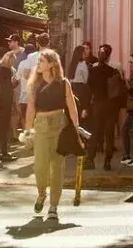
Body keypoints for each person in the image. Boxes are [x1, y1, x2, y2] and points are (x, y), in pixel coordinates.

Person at [24, 49, 80, 223]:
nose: (38, 64)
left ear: (52, 64)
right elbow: (31, 109)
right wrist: (27, 131)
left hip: (59, 126)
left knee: (57, 168)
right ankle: (42, 194)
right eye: (39, 61)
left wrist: (76, 129)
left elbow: (71, 107)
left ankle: (53, 206)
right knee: (40, 167)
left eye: (42, 60)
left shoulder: (64, 83)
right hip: (40, 126)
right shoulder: (35, 84)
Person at [85, 43, 123, 170]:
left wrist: (87, 105)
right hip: (110, 106)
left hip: (97, 104)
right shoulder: (113, 71)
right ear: (108, 56)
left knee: (95, 132)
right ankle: (107, 161)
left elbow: (89, 88)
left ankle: (90, 159)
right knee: (109, 133)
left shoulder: (93, 70)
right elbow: (118, 90)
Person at [0, 49, 17, 163]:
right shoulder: (7, 70)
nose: (14, 63)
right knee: (4, 128)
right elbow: (7, 88)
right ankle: (4, 152)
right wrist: (15, 83)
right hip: (5, 102)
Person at [17, 35, 49, 125]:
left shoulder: (31, 56)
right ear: (49, 43)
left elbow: (26, 75)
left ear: (37, 43)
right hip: (49, 90)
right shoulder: (53, 56)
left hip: (35, 90)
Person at [67, 46, 91, 118]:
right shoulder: (83, 64)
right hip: (81, 89)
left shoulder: (72, 64)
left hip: (73, 88)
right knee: (83, 110)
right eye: (84, 53)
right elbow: (86, 78)